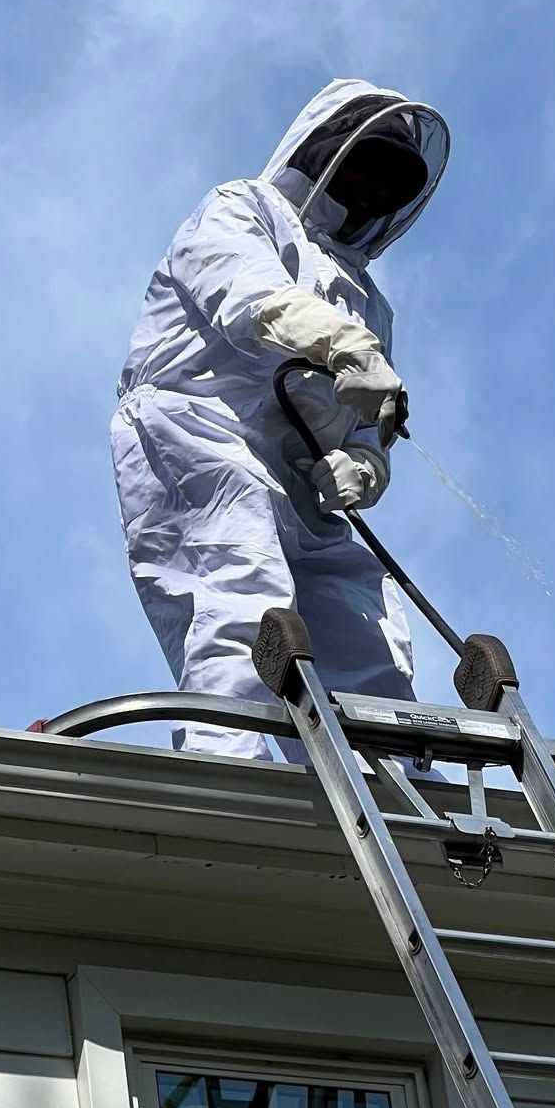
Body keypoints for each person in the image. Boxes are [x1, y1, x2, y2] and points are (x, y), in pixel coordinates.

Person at [111, 79, 450, 758]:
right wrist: (338, 342)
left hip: (301, 491)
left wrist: (364, 460)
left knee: (366, 627)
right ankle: (225, 774)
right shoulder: (244, 207)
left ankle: (404, 805)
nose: (374, 188)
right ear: (325, 150)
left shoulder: (369, 301)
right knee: (242, 596)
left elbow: (361, 415)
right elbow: (244, 292)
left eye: (390, 181)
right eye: (367, 165)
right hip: (201, 435)